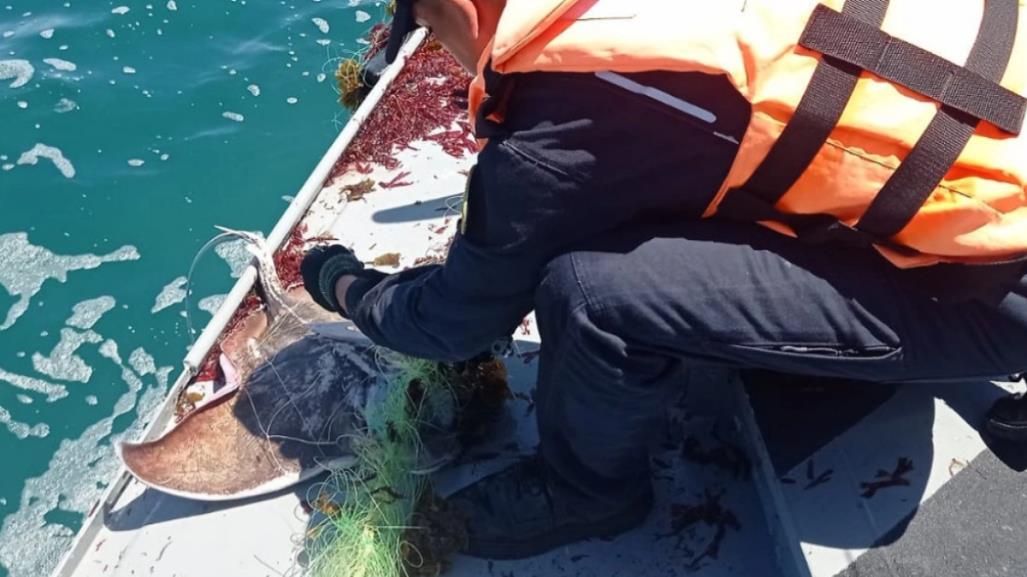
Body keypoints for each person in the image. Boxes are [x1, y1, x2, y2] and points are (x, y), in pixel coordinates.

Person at [302, 0, 1027, 560]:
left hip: (992, 293)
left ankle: (585, 493)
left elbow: (451, 324)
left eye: (433, 33)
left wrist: (341, 282)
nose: (456, 61)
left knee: (589, 296)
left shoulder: (571, 113)